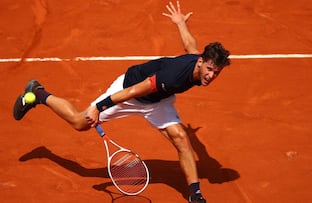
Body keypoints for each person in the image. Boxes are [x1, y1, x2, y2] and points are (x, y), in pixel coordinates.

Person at [13, 1, 230, 202]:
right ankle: (38, 93)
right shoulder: (172, 76)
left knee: (181, 138)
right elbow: (133, 91)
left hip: (157, 101)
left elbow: (191, 46)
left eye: (216, 72)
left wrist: (181, 24)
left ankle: (195, 195)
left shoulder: (198, 63)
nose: (211, 76)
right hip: (131, 90)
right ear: (201, 63)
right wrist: (98, 108)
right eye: (210, 70)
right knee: (80, 122)